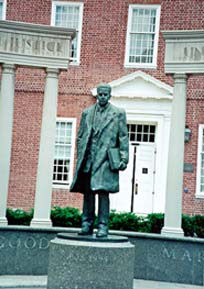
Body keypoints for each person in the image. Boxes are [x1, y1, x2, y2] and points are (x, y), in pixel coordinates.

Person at [70, 83, 129, 237]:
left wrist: (124, 158)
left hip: (106, 159)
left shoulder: (118, 113)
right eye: (100, 94)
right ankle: (86, 224)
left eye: (105, 94)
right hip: (89, 158)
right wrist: (81, 155)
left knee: (103, 193)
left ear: (109, 95)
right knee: (88, 193)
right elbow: (81, 136)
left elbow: (123, 137)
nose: (102, 97)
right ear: (97, 95)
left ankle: (103, 226)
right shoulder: (87, 113)